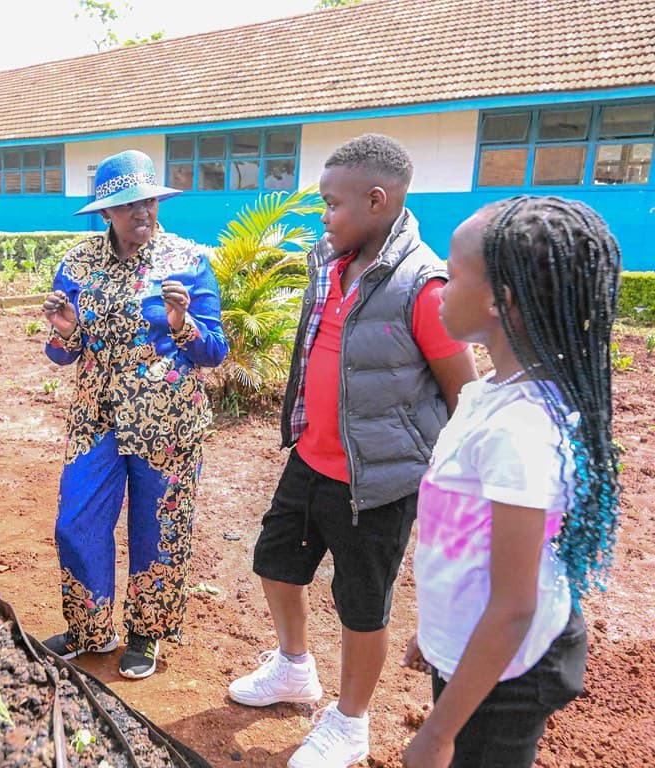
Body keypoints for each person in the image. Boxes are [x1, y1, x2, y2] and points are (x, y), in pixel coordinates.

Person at [227, 134, 477, 768]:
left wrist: (444, 490)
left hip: (379, 482)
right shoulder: (330, 262)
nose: (323, 216)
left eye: (331, 205)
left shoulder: (422, 286)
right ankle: (293, 668)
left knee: (362, 606)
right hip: (310, 458)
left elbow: (464, 397)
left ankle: (350, 722)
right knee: (275, 564)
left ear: (376, 200)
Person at [399, 196, 622, 768]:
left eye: (454, 269)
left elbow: (514, 605)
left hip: (509, 670)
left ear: (504, 300)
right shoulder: (489, 394)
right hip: (483, 651)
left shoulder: (519, 431)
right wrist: (438, 633)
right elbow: (466, 541)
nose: (440, 283)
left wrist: (438, 733)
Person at [39, 149, 228, 679]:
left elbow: (215, 351)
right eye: (128, 205)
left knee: (159, 526)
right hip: (95, 418)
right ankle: (90, 629)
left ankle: (146, 633)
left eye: (147, 201)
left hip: (167, 424)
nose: (141, 213)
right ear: (106, 212)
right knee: (77, 522)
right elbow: (63, 352)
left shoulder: (188, 260)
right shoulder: (77, 264)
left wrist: (181, 322)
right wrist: (64, 328)